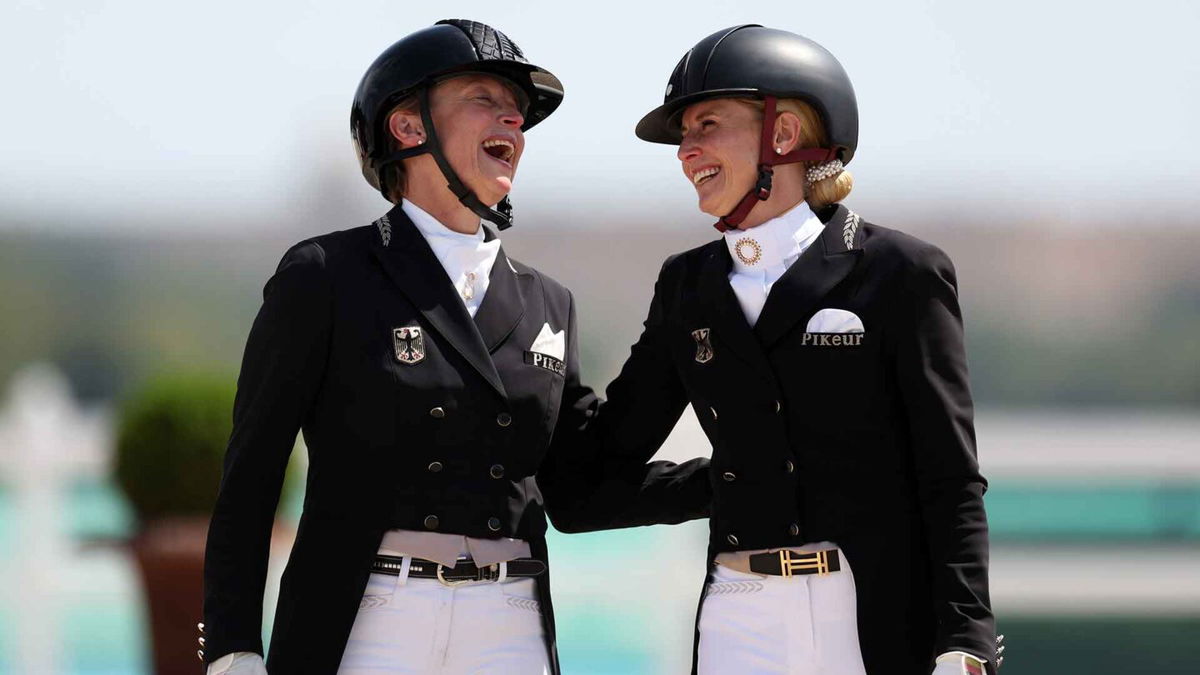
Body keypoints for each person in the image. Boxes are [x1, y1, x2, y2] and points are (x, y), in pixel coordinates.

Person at [198, 20, 710, 675]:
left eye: (519, 114)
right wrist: (231, 648)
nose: (513, 124)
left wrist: (734, 480)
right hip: (366, 623)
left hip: (510, 626)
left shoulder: (549, 304)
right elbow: (251, 476)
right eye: (484, 100)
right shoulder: (324, 275)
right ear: (409, 128)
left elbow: (581, 493)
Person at [589, 24, 1003, 674]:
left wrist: (967, 634)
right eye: (682, 136)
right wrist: (728, 482)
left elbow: (949, 477)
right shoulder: (686, 287)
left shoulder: (901, 272)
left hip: (865, 611)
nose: (685, 151)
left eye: (705, 125)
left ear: (782, 135)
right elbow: (594, 483)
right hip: (736, 611)